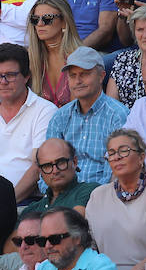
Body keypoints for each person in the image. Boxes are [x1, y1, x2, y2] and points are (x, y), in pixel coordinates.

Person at [85, 128, 146, 270]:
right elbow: (90, 246)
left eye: (124, 151)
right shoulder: (97, 195)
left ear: (141, 157)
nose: (117, 157)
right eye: (111, 153)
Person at [0, 43, 58, 199]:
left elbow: (39, 167)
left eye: (10, 75)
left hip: (25, 201)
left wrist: (8, 202)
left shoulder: (45, 111)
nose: (3, 82)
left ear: (26, 76)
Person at [45, 47, 130, 184]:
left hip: (99, 197)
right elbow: (46, 163)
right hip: (63, 195)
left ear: (101, 76)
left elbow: (115, 172)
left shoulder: (118, 115)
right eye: (73, 75)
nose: (78, 81)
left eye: (84, 74)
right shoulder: (60, 117)